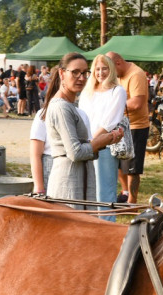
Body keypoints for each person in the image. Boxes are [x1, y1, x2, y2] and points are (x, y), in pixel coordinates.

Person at [43, 53, 123, 211]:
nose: (81, 78)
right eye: (75, 72)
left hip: (80, 180)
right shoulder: (61, 107)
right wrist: (99, 142)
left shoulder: (71, 105)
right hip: (68, 183)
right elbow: (75, 152)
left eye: (85, 73)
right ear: (61, 73)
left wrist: (106, 141)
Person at [78, 53, 126, 212]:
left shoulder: (117, 91)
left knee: (105, 191)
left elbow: (110, 121)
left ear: (111, 69)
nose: (100, 72)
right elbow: (81, 116)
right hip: (85, 145)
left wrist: (93, 141)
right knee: (86, 188)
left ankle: (107, 224)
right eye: (97, 69)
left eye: (104, 68)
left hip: (103, 146)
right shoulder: (87, 91)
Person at [108, 51, 149, 203]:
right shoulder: (118, 76)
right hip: (120, 125)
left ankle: (132, 202)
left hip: (136, 126)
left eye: (111, 69)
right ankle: (125, 192)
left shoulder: (136, 74)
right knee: (118, 162)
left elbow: (137, 103)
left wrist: (112, 107)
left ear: (118, 63)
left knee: (132, 167)